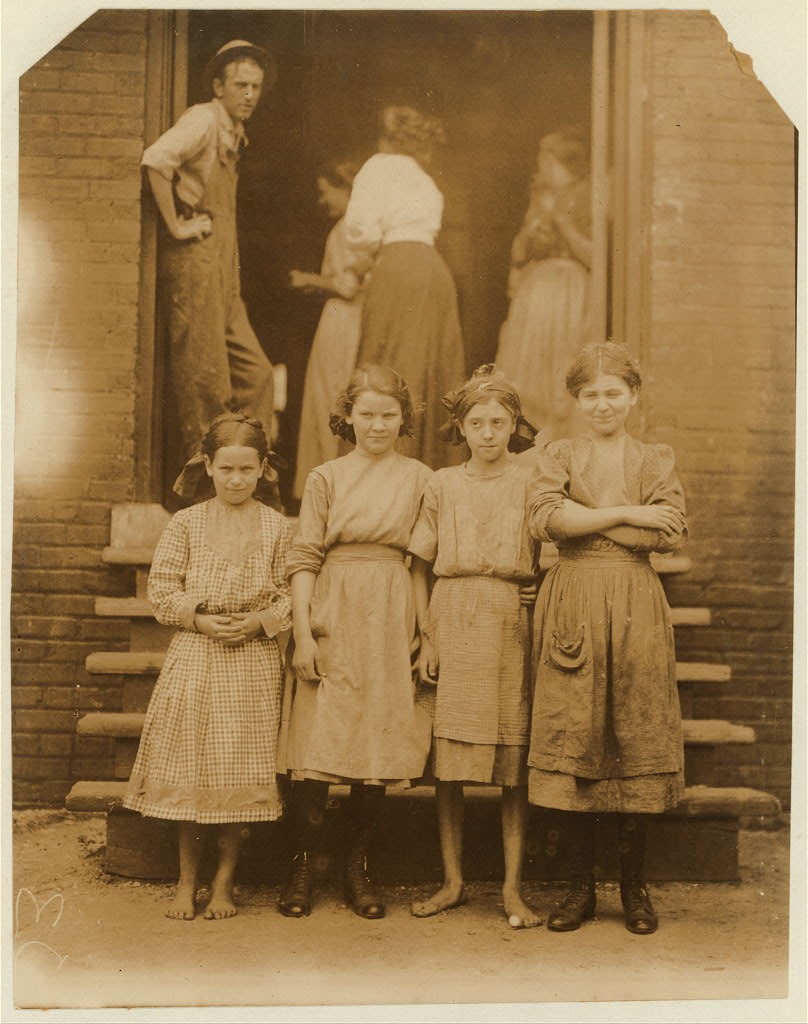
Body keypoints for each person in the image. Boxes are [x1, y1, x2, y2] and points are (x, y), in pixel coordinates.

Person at [526, 342, 687, 935]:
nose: (601, 404)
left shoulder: (655, 458)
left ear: (633, 397)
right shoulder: (558, 454)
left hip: (636, 607)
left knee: (634, 739)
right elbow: (547, 519)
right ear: (576, 401)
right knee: (579, 738)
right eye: (589, 395)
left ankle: (634, 890)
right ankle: (578, 890)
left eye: (613, 393)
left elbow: (667, 533)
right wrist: (631, 514)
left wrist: (594, 516)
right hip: (573, 605)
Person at [277, 364, 433, 920]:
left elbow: (420, 562)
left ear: (403, 419)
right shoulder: (326, 477)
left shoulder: (419, 478)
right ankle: (302, 863)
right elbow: (304, 558)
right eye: (366, 414)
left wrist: (423, 630)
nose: (377, 424)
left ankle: (356, 867)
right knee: (318, 743)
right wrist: (302, 633)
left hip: (390, 613)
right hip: (333, 609)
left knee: (376, 744)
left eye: (389, 415)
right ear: (348, 416)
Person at [123, 413, 291, 920]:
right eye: (226, 469)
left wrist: (262, 621)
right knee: (192, 770)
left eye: (246, 469)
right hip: (197, 657)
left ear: (263, 469)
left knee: (239, 769)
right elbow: (162, 590)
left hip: (252, 661)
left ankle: (224, 884)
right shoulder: (187, 523)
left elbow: (291, 592)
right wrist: (197, 620)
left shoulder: (276, 527)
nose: (236, 479)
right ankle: (185, 882)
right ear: (208, 467)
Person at [406, 366, 542, 929]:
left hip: (513, 618)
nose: (488, 433)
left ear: (515, 425)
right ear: (459, 427)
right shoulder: (441, 484)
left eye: (499, 422)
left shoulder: (534, 480)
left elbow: (553, 543)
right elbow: (417, 565)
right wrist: (426, 636)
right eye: (476, 422)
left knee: (513, 763)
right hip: (454, 613)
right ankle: (453, 881)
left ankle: (512, 888)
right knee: (451, 766)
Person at [141, 40, 276, 459]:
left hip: (223, 265)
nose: (250, 94)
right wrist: (177, 226)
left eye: (255, 86)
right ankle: (205, 485)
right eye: (241, 85)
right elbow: (156, 160)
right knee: (207, 383)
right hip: (196, 260)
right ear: (219, 86)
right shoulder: (203, 119)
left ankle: (246, 468)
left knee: (257, 374)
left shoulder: (234, 132)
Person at [343, 106, 466, 469]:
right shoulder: (426, 181)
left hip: (398, 268)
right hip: (433, 271)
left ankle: (380, 471)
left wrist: (366, 254)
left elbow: (359, 229)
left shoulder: (379, 166)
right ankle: (425, 467)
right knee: (428, 368)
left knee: (387, 363)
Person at [496, 128, 592, 439]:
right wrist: (529, 236)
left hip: (569, 289)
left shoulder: (589, 193)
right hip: (536, 290)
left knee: (562, 365)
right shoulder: (541, 195)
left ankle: (559, 438)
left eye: (548, 159)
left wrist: (563, 224)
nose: (542, 167)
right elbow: (518, 252)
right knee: (527, 368)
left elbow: (596, 256)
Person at [290, 160, 364, 499]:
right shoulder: (351, 228)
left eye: (327, 192)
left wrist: (309, 280)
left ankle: (331, 486)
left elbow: (348, 286)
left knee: (332, 393)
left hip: (343, 318)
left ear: (346, 188)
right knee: (329, 394)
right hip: (342, 318)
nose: (324, 201)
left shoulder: (349, 228)